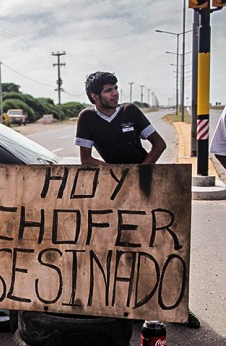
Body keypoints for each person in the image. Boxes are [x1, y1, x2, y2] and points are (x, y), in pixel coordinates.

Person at [74, 71, 200, 328]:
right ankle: (125, 304)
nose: (115, 93)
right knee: (122, 247)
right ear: (94, 96)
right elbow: (86, 160)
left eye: (116, 88)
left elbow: (159, 144)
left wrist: (140, 172)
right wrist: (118, 175)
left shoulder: (130, 111)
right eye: (109, 90)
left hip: (146, 185)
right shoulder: (87, 118)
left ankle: (177, 307)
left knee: (162, 247)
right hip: (118, 190)